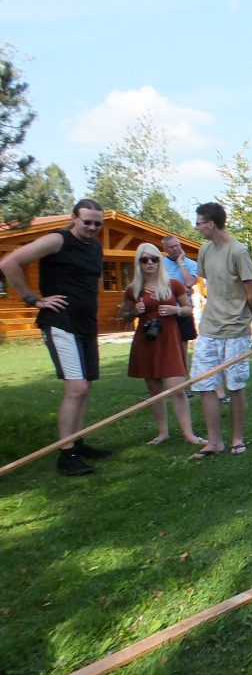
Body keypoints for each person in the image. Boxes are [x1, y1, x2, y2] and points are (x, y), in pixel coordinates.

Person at [0, 199, 113, 475]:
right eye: (87, 221)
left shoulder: (95, 247)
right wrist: (33, 299)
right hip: (61, 323)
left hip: (86, 325)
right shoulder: (57, 240)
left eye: (98, 223)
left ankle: (77, 443)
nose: (92, 227)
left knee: (86, 386)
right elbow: (9, 262)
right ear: (74, 218)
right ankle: (66, 455)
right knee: (77, 389)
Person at [188, 202, 252, 460]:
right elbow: (205, 283)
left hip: (235, 330)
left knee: (235, 385)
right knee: (205, 384)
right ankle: (215, 441)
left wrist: (246, 316)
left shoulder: (238, 252)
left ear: (211, 224)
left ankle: (237, 438)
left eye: (198, 223)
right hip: (208, 329)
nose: (196, 227)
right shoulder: (205, 250)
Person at [120, 244, 204, 446]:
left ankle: (189, 435)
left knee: (178, 388)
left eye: (154, 259)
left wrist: (176, 311)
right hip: (146, 341)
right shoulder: (134, 289)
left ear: (160, 261)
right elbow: (123, 315)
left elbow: (188, 308)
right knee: (154, 389)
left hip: (170, 339)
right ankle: (162, 432)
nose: (150, 263)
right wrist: (134, 312)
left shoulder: (173, 284)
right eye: (144, 259)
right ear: (139, 263)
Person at [161, 235, 199, 367]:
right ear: (165, 249)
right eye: (171, 247)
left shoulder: (191, 264)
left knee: (183, 349)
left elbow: (190, 282)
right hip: (165, 311)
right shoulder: (159, 264)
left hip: (184, 311)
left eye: (177, 245)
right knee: (166, 349)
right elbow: (158, 285)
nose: (176, 248)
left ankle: (182, 377)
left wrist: (181, 263)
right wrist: (184, 290)